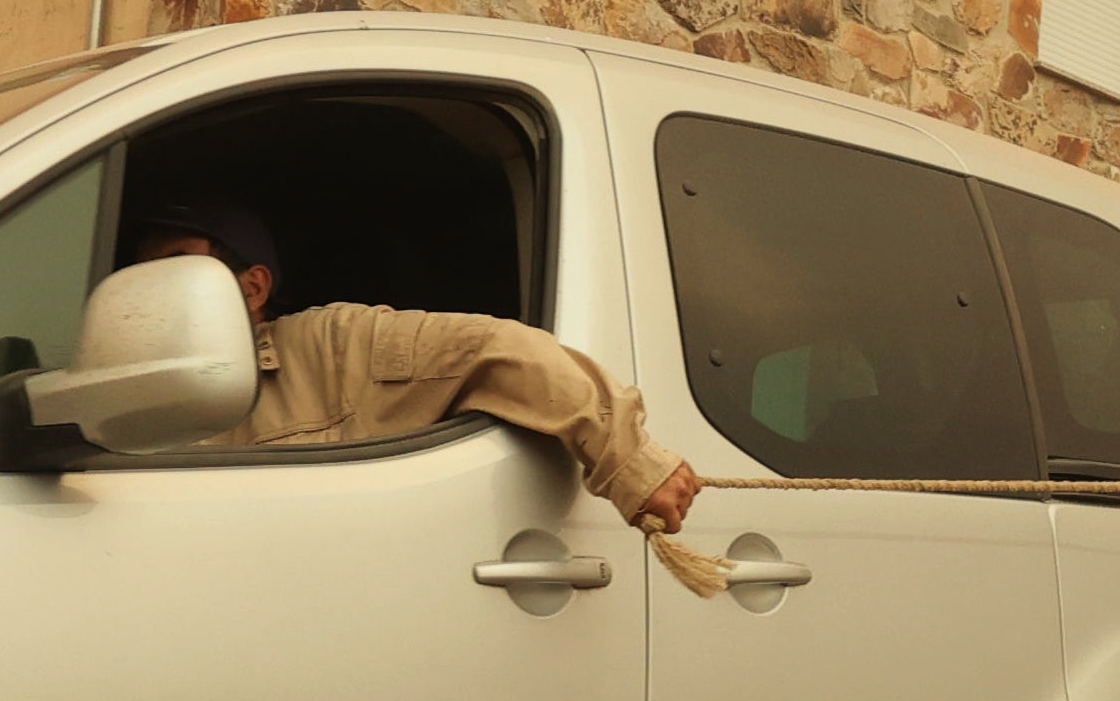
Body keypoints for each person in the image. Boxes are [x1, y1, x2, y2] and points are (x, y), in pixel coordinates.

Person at [127, 197, 704, 535]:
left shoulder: (329, 346)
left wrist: (632, 463)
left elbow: (498, 350)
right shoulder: (130, 395)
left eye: (179, 264)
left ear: (254, 287)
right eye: (143, 272)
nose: (156, 287)